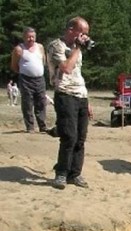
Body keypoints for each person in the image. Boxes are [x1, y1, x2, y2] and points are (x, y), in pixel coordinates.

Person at [47, 17, 93, 190]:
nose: (85, 37)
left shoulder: (76, 49)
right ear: (71, 29)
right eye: (83, 33)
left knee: (81, 138)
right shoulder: (56, 46)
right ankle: (61, 173)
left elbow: (78, 74)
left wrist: (86, 100)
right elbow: (66, 68)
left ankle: (75, 173)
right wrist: (77, 48)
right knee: (69, 136)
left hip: (80, 94)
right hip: (65, 93)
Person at [11, 27, 48, 133]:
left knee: (41, 102)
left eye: (33, 37)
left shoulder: (40, 47)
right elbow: (14, 66)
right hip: (26, 80)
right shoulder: (19, 49)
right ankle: (30, 127)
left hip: (40, 79)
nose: (31, 39)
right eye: (28, 37)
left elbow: (43, 62)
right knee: (27, 103)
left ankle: (42, 126)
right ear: (24, 37)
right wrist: (25, 72)